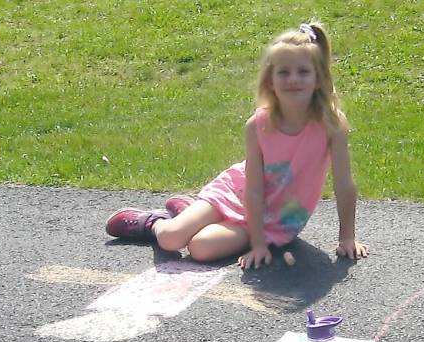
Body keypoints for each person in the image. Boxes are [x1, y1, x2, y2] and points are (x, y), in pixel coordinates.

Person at [105, 22, 369, 269]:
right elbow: (253, 188)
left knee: (200, 249)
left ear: (318, 78)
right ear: (270, 81)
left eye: (303, 72)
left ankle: (188, 211)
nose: (293, 79)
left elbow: (344, 184)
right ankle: (154, 222)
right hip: (238, 193)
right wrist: (257, 245)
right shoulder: (258, 124)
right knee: (170, 239)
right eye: (284, 72)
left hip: (278, 218)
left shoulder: (331, 124)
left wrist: (347, 237)